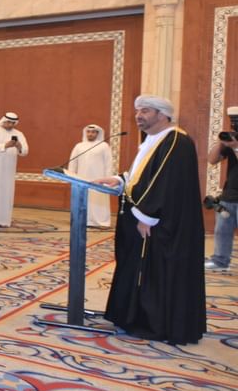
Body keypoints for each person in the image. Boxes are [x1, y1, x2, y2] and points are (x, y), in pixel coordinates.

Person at [95, 95, 205, 344]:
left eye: (145, 111)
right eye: (138, 111)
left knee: (153, 272)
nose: (138, 116)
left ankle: (151, 323)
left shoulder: (175, 140)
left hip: (159, 224)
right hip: (147, 217)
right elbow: (144, 175)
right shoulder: (154, 140)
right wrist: (120, 180)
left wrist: (148, 214)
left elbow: (167, 182)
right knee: (136, 267)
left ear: (162, 115)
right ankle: (129, 315)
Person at [206, 118, 238, 272]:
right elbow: (212, 160)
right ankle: (220, 261)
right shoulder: (232, 141)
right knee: (222, 230)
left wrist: (236, 147)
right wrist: (221, 142)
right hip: (228, 195)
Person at [67, 124, 114, 228]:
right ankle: (83, 221)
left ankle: (101, 222)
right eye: (88, 132)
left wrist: (108, 179)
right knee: (83, 200)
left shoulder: (104, 146)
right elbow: (73, 162)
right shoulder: (79, 146)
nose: (90, 134)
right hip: (82, 179)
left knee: (98, 200)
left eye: (93, 132)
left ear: (97, 133)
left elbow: (108, 164)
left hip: (99, 180)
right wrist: (71, 176)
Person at [0, 112, 28, 227]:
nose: (10, 125)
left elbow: (25, 151)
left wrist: (19, 146)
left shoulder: (18, 134)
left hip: (9, 169)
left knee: (6, 193)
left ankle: (3, 220)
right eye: (8, 122)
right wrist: (5, 145)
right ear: (3, 120)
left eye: (13, 123)